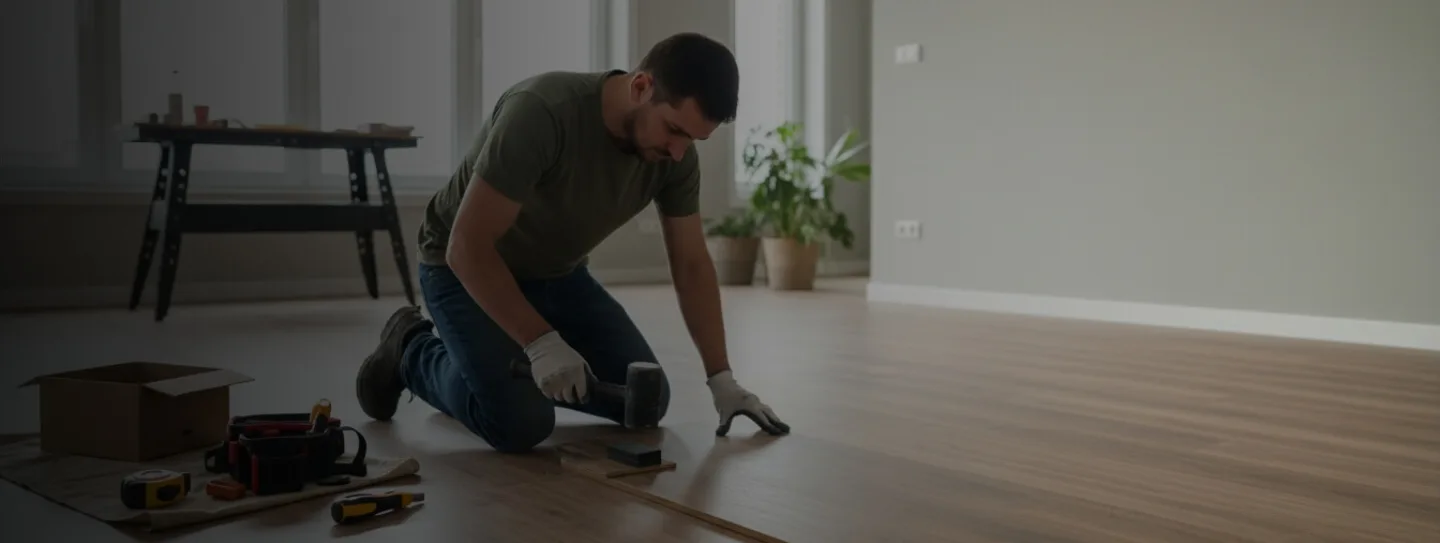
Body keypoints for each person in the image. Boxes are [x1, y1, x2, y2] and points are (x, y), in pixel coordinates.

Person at [354, 32, 790, 453]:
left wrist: (722, 379)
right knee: (519, 423)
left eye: (692, 140)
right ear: (641, 86)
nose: (678, 152)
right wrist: (541, 343)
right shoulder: (542, 112)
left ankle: (499, 374)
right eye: (674, 130)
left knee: (645, 401)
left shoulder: (675, 157)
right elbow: (466, 247)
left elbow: (692, 265)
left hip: (557, 276)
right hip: (462, 270)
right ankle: (411, 351)